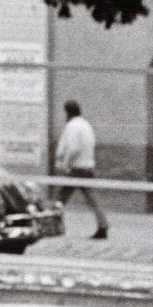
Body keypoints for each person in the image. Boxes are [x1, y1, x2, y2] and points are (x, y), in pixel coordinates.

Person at [54, 100, 108, 239]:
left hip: (76, 168)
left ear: (68, 112)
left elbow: (73, 148)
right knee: (92, 198)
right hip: (87, 166)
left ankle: (53, 224)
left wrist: (66, 164)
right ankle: (103, 225)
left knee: (60, 198)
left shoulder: (72, 126)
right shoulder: (86, 124)